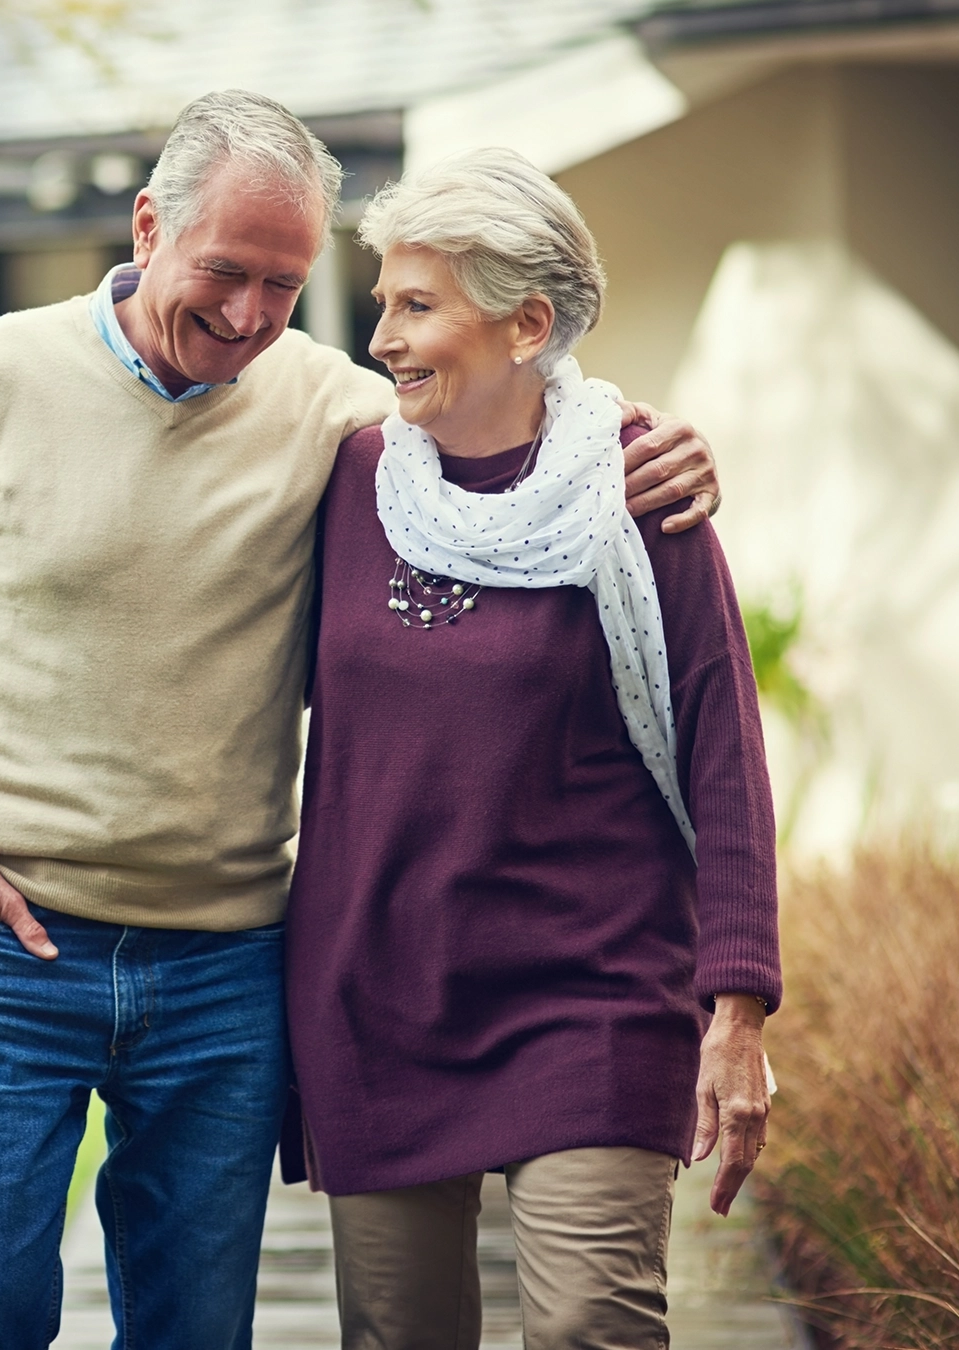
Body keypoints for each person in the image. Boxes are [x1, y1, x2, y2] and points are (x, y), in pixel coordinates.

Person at [0, 92, 721, 1350]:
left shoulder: (336, 417)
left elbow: (500, 416)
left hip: (223, 959)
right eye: (224, 273)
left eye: (285, 286)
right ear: (149, 226)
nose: (250, 316)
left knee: (194, 1331)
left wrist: (647, 444)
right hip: (7, 945)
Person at [283, 146, 779, 1350]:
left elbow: (722, 748)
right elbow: (199, 631)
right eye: (382, 304)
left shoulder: (637, 491)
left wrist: (737, 1009)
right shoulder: (349, 483)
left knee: (590, 1334)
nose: (382, 339)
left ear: (526, 324)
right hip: (378, 994)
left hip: (589, 992)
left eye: (415, 306)